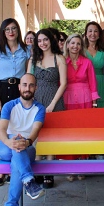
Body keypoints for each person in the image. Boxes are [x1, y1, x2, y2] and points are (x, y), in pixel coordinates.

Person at [0, 18, 31, 186]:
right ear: (3, 32)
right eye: (7, 29)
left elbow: (28, 72)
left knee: (17, 127)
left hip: (18, 89)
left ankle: (15, 166)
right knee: (0, 127)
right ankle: (1, 171)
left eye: (14, 28)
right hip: (0, 89)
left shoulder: (26, 49)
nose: (11, 32)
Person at [0, 73, 46, 206]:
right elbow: (1, 130)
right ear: (19, 87)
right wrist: (10, 142)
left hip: (27, 147)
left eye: (31, 85)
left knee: (17, 159)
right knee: (16, 146)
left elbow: (35, 131)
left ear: (36, 87)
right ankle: (28, 180)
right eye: (24, 85)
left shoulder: (40, 109)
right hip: (5, 147)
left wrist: (26, 142)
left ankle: (12, 204)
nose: (27, 88)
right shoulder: (9, 106)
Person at [28, 28, 67, 188]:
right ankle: (37, 169)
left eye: (45, 39)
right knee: (36, 136)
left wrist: (52, 104)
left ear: (51, 40)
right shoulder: (33, 59)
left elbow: (64, 83)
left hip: (54, 101)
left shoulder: (59, 58)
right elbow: (27, 80)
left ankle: (49, 172)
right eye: (39, 40)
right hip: (36, 101)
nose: (42, 43)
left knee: (51, 136)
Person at [63, 33, 99, 181]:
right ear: (67, 45)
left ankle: (82, 164)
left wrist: (94, 101)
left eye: (78, 43)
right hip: (68, 98)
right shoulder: (62, 62)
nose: (75, 46)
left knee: (84, 132)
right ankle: (70, 166)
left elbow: (92, 82)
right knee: (69, 132)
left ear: (81, 46)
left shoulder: (87, 62)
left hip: (85, 98)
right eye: (72, 43)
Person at [83, 22, 104, 108]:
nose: (93, 34)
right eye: (90, 31)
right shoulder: (81, 51)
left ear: (99, 34)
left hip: (100, 84)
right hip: (86, 84)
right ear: (86, 34)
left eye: (96, 31)